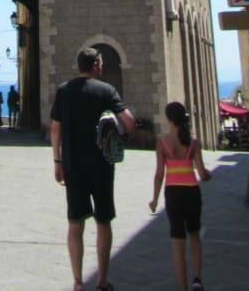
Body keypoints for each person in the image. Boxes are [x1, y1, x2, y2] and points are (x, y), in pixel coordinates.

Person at [50, 47, 135, 291]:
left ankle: (77, 281)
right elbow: (129, 122)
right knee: (103, 221)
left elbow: (55, 129)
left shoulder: (64, 91)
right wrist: (121, 140)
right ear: (96, 65)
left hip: (72, 165)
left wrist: (57, 162)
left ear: (79, 65)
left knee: (75, 223)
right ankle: (101, 280)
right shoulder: (107, 91)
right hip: (102, 165)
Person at [149, 101, 211, 291]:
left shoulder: (162, 143)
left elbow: (159, 174)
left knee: (177, 241)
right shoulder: (193, 143)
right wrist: (208, 175)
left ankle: (183, 287)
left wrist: (155, 199)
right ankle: (197, 279)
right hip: (192, 192)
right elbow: (202, 173)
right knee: (194, 235)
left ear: (168, 119)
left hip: (173, 193)